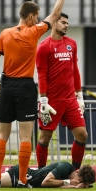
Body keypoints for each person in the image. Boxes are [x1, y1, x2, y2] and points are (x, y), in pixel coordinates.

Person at [0, 0, 69, 188]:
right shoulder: (33, 32)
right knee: (25, 137)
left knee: (2, 134)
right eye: (37, 16)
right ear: (33, 16)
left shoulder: (5, 33)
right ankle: (23, 179)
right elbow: (54, 15)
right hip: (25, 86)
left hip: (6, 85)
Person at [35, 13, 87, 170]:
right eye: (63, 22)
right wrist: (43, 100)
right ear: (54, 23)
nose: (66, 25)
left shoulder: (72, 44)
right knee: (45, 138)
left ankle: (75, 172)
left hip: (70, 100)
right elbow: (41, 75)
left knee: (82, 134)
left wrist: (80, 96)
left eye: (67, 23)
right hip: (51, 101)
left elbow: (75, 71)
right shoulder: (44, 47)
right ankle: (41, 173)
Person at [0, 162, 96, 188]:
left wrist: (73, 187)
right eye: (79, 180)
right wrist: (69, 183)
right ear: (77, 173)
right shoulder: (65, 167)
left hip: (25, 176)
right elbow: (46, 182)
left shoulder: (68, 175)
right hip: (20, 174)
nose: (76, 182)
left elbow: (57, 186)